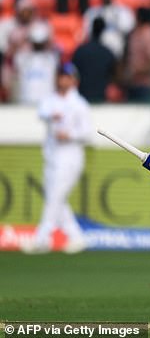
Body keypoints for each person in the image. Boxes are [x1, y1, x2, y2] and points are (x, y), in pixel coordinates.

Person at [22, 62, 92, 254]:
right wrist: (53, 115)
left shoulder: (79, 104)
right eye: (60, 76)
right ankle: (76, 236)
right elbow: (42, 112)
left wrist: (69, 135)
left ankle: (41, 239)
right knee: (56, 198)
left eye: (67, 76)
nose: (62, 80)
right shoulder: (51, 100)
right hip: (52, 156)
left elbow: (87, 132)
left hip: (70, 157)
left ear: (74, 80)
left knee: (54, 198)